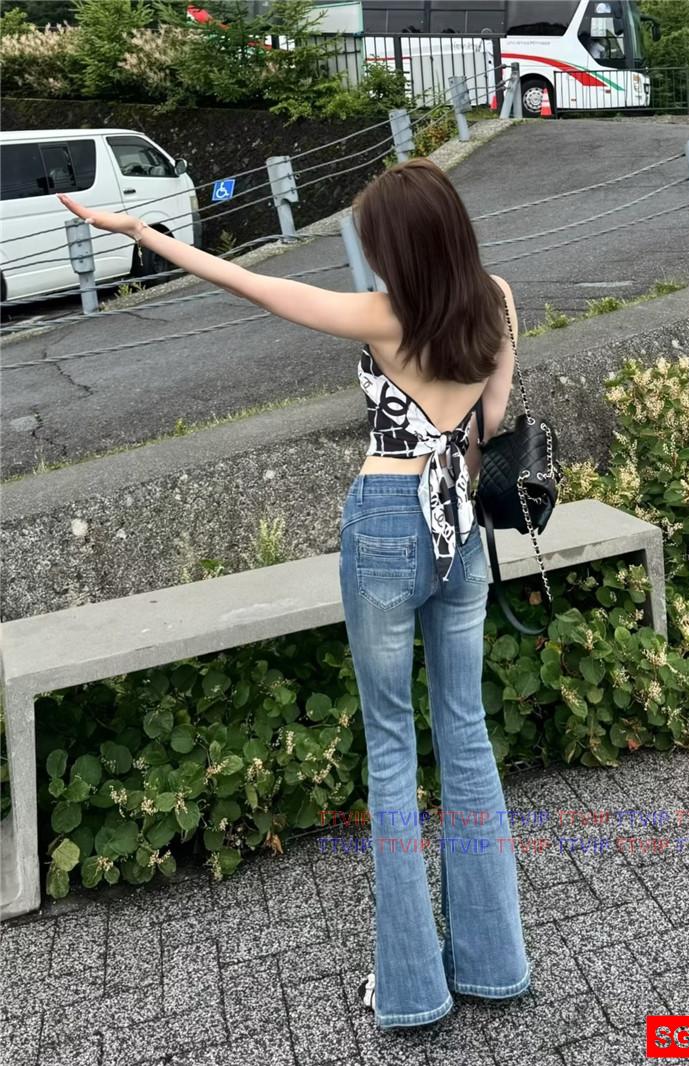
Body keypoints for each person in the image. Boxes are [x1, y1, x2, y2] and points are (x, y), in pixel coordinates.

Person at [56, 156, 532, 1030]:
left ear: (402, 248)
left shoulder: (383, 316)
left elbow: (254, 285)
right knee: (465, 735)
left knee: (392, 747)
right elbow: (490, 424)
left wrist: (142, 234)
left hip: (386, 522)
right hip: (461, 529)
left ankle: (414, 991)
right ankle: (494, 962)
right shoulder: (496, 301)